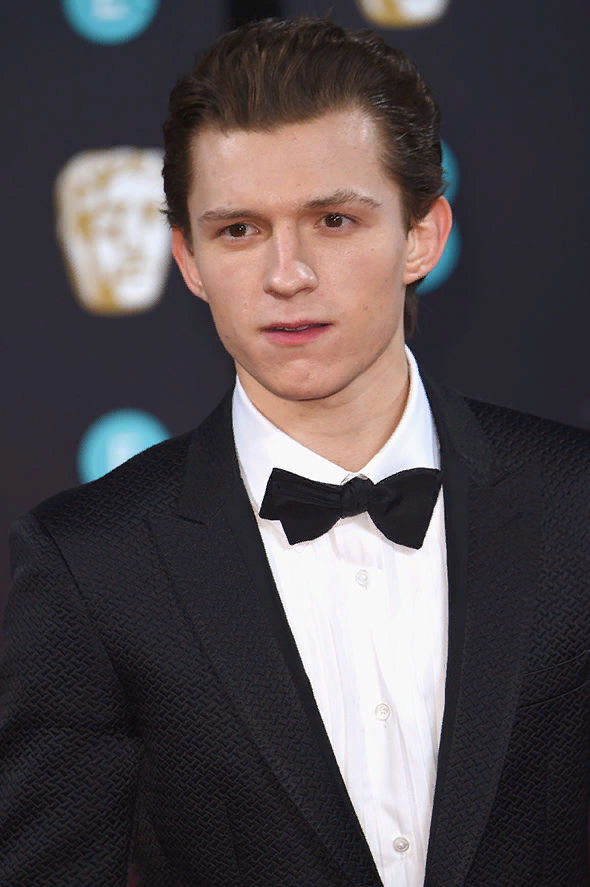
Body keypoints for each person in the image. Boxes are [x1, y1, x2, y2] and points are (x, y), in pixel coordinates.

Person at [1, 17, 588, 887]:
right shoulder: (92, 564)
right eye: (239, 230)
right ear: (188, 258)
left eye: (334, 220)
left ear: (422, 235)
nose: (287, 274)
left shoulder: (576, 507)